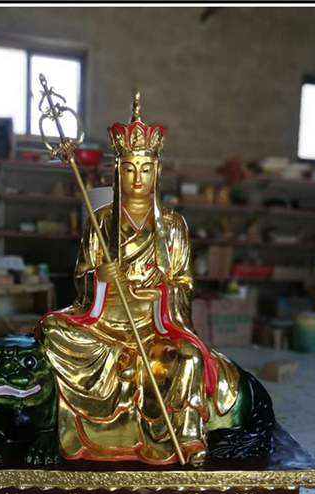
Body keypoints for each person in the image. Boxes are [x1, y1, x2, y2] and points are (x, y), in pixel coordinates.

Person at [38, 94, 254, 466]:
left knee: (187, 357)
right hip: (106, 325)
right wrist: (99, 278)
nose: (137, 178)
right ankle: (100, 397)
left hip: (154, 327)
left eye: (145, 169)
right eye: (129, 169)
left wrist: (162, 293)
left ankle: (186, 435)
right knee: (52, 331)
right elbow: (80, 279)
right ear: (116, 171)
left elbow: (184, 282)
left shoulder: (172, 225)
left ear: (157, 171)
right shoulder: (101, 222)